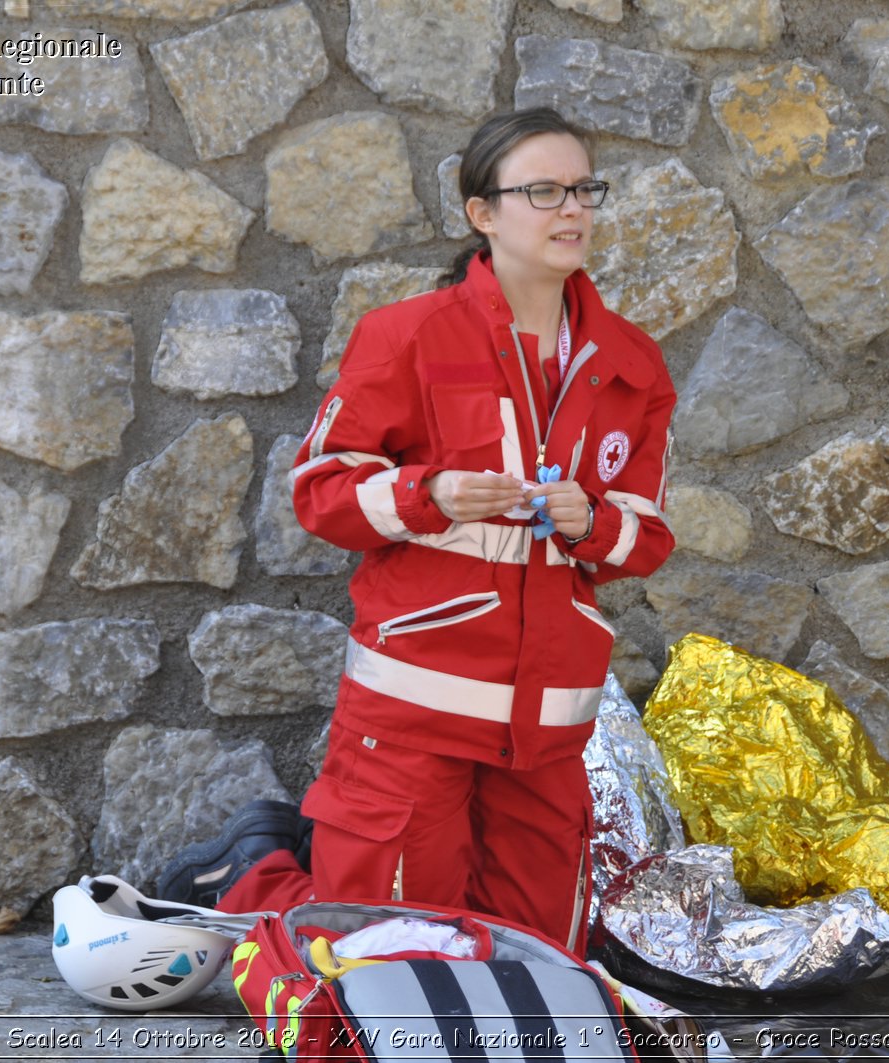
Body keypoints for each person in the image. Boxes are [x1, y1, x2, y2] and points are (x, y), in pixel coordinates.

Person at [157, 107, 676, 956]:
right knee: (384, 954)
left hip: (546, 732)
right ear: (483, 213)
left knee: (529, 959)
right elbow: (319, 494)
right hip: (412, 712)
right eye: (542, 190)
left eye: (584, 188)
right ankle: (256, 875)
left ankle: (282, 869)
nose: (571, 209)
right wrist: (427, 491)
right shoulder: (406, 337)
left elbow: (647, 536)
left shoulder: (632, 363)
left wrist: (595, 522)